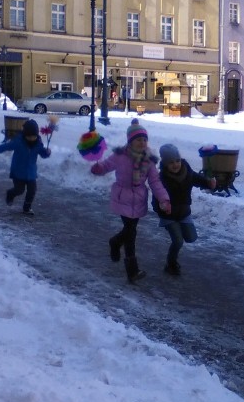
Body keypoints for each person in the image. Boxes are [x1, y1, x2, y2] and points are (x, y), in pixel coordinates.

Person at [90, 119, 171, 282]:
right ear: (130, 141)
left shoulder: (148, 160)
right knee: (131, 232)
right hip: (123, 197)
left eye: (145, 139)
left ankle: (115, 242)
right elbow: (105, 166)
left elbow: (155, 182)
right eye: (138, 139)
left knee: (130, 231)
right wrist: (98, 168)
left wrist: (164, 199)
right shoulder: (120, 156)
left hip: (139, 199)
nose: (142, 143)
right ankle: (132, 270)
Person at [154, 143, 216, 275]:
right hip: (169, 216)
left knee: (192, 238)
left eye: (177, 160)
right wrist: (162, 208)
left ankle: (179, 234)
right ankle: (171, 264)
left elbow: (197, 179)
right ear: (165, 163)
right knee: (178, 241)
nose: (175, 164)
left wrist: (208, 183)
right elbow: (155, 200)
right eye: (171, 162)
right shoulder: (161, 179)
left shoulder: (187, 170)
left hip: (184, 213)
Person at [0, 118, 51, 216]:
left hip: (31, 173)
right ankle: (10, 194)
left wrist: (46, 153)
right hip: (18, 172)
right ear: (25, 135)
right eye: (29, 136)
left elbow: (42, 154)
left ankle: (27, 207)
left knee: (32, 190)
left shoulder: (38, 144)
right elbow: (5, 147)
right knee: (19, 190)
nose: (31, 138)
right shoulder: (18, 142)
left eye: (33, 136)